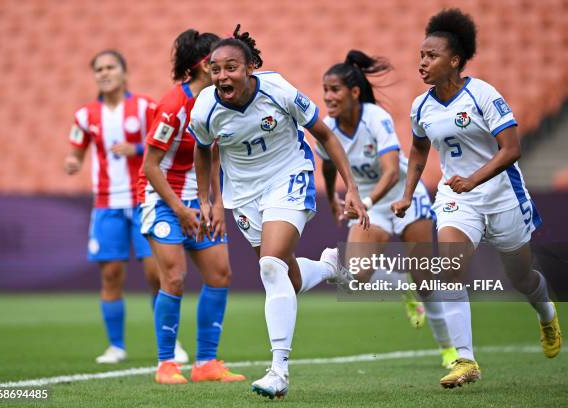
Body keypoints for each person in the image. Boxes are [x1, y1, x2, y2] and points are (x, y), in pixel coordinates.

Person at [189, 25, 368, 399]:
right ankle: (331, 268)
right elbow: (202, 149)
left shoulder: (278, 90)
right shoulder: (205, 107)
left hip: (289, 177)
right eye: (216, 69)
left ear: (250, 67)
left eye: (231, 67)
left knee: (271, 266)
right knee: (288, 277)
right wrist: (208, 199)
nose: (223, 76)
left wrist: (349, 187)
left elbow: (326, 135)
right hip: (243, 195)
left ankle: (278, 371)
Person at [391, 8, 562, 388]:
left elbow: (511, 148)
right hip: (457, 198)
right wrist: (406, 194)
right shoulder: (421, 106)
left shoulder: (483, 94)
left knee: (521, 276)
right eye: (420, 56)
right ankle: (465, 360)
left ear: (454, 60)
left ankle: (546, 313)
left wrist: (474, 179)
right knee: (450, 268)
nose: (422, 62)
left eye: (431, 56)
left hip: (501, 195)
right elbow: (418, 151)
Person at [319, 50, 457, 369]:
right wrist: (331, 200)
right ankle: (401, 285)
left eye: (335, 89)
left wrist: (363, 203)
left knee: (425, 280)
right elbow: (327, 166)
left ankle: (450, 350)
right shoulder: (328, 127)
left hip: (403, 196)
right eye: (325, 89)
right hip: (370, 204)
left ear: (354, 92)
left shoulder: (374, 118)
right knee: (356, 275)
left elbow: (392, 171)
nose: (328, 97)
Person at [64, 50, 188, 365]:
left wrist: (135, 148)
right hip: (106, 204)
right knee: (111, 274)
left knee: (154, 274)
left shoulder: (145, 107)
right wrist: (72, 161)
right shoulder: (85, 116)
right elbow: (76, 150)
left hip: (144, 199)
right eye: (99, 69)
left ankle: (171, 343)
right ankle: (116, 346)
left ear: (124, 72)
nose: (104, 73)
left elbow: (166, 140)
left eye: (110, 67)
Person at [139, 30, 245, 385]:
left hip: (197, 202)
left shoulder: (217, 103)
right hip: (163, 201)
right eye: (216, 63)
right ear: (204, 64)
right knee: (174, 277)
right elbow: (150, 166)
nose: (222, 72)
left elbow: (214, 156)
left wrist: (215, 204)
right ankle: (166, 364)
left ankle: (205, 364)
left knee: (220, 274)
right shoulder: (173, 108)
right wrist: (180, 209)